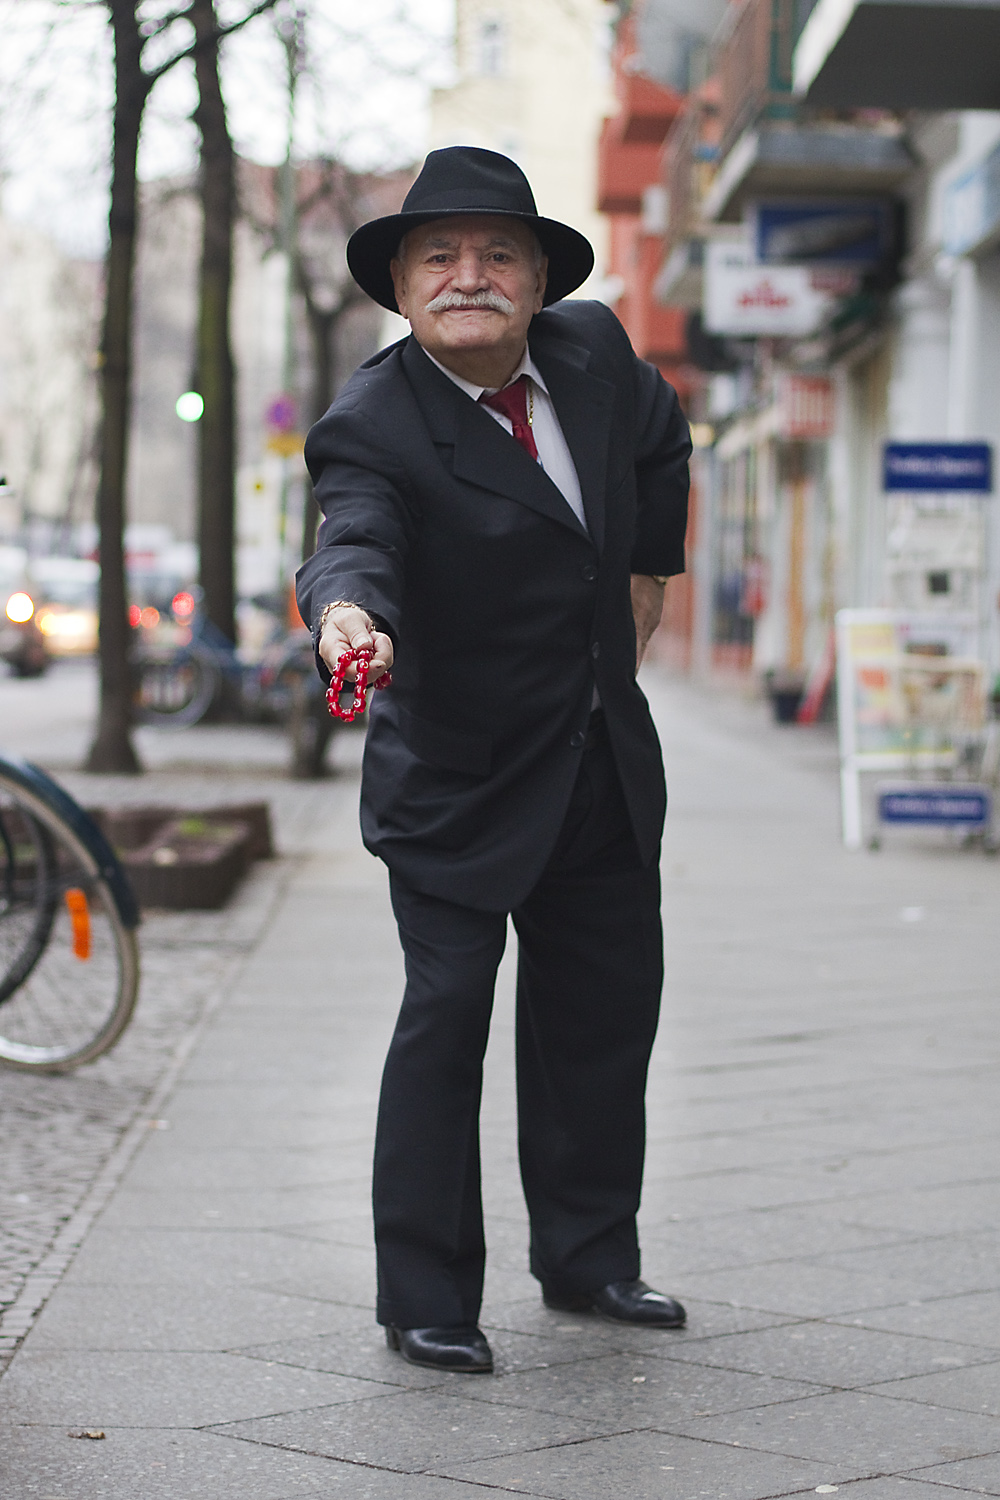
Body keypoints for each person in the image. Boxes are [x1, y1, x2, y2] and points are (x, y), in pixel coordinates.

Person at [296, 146, 691, 1375]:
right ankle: (424, 1295)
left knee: (600, 1024)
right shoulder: (372, 421)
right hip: (458, 783)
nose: (468, 276)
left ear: (536, 280)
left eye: (497, 254)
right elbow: (352, 538)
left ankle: (589, 1258)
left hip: (597, 763)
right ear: (401, 286)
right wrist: (347, 617)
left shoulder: (596, 352)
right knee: (445, 1022)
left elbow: (661, 437)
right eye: (438, 257)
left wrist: (648, 572)